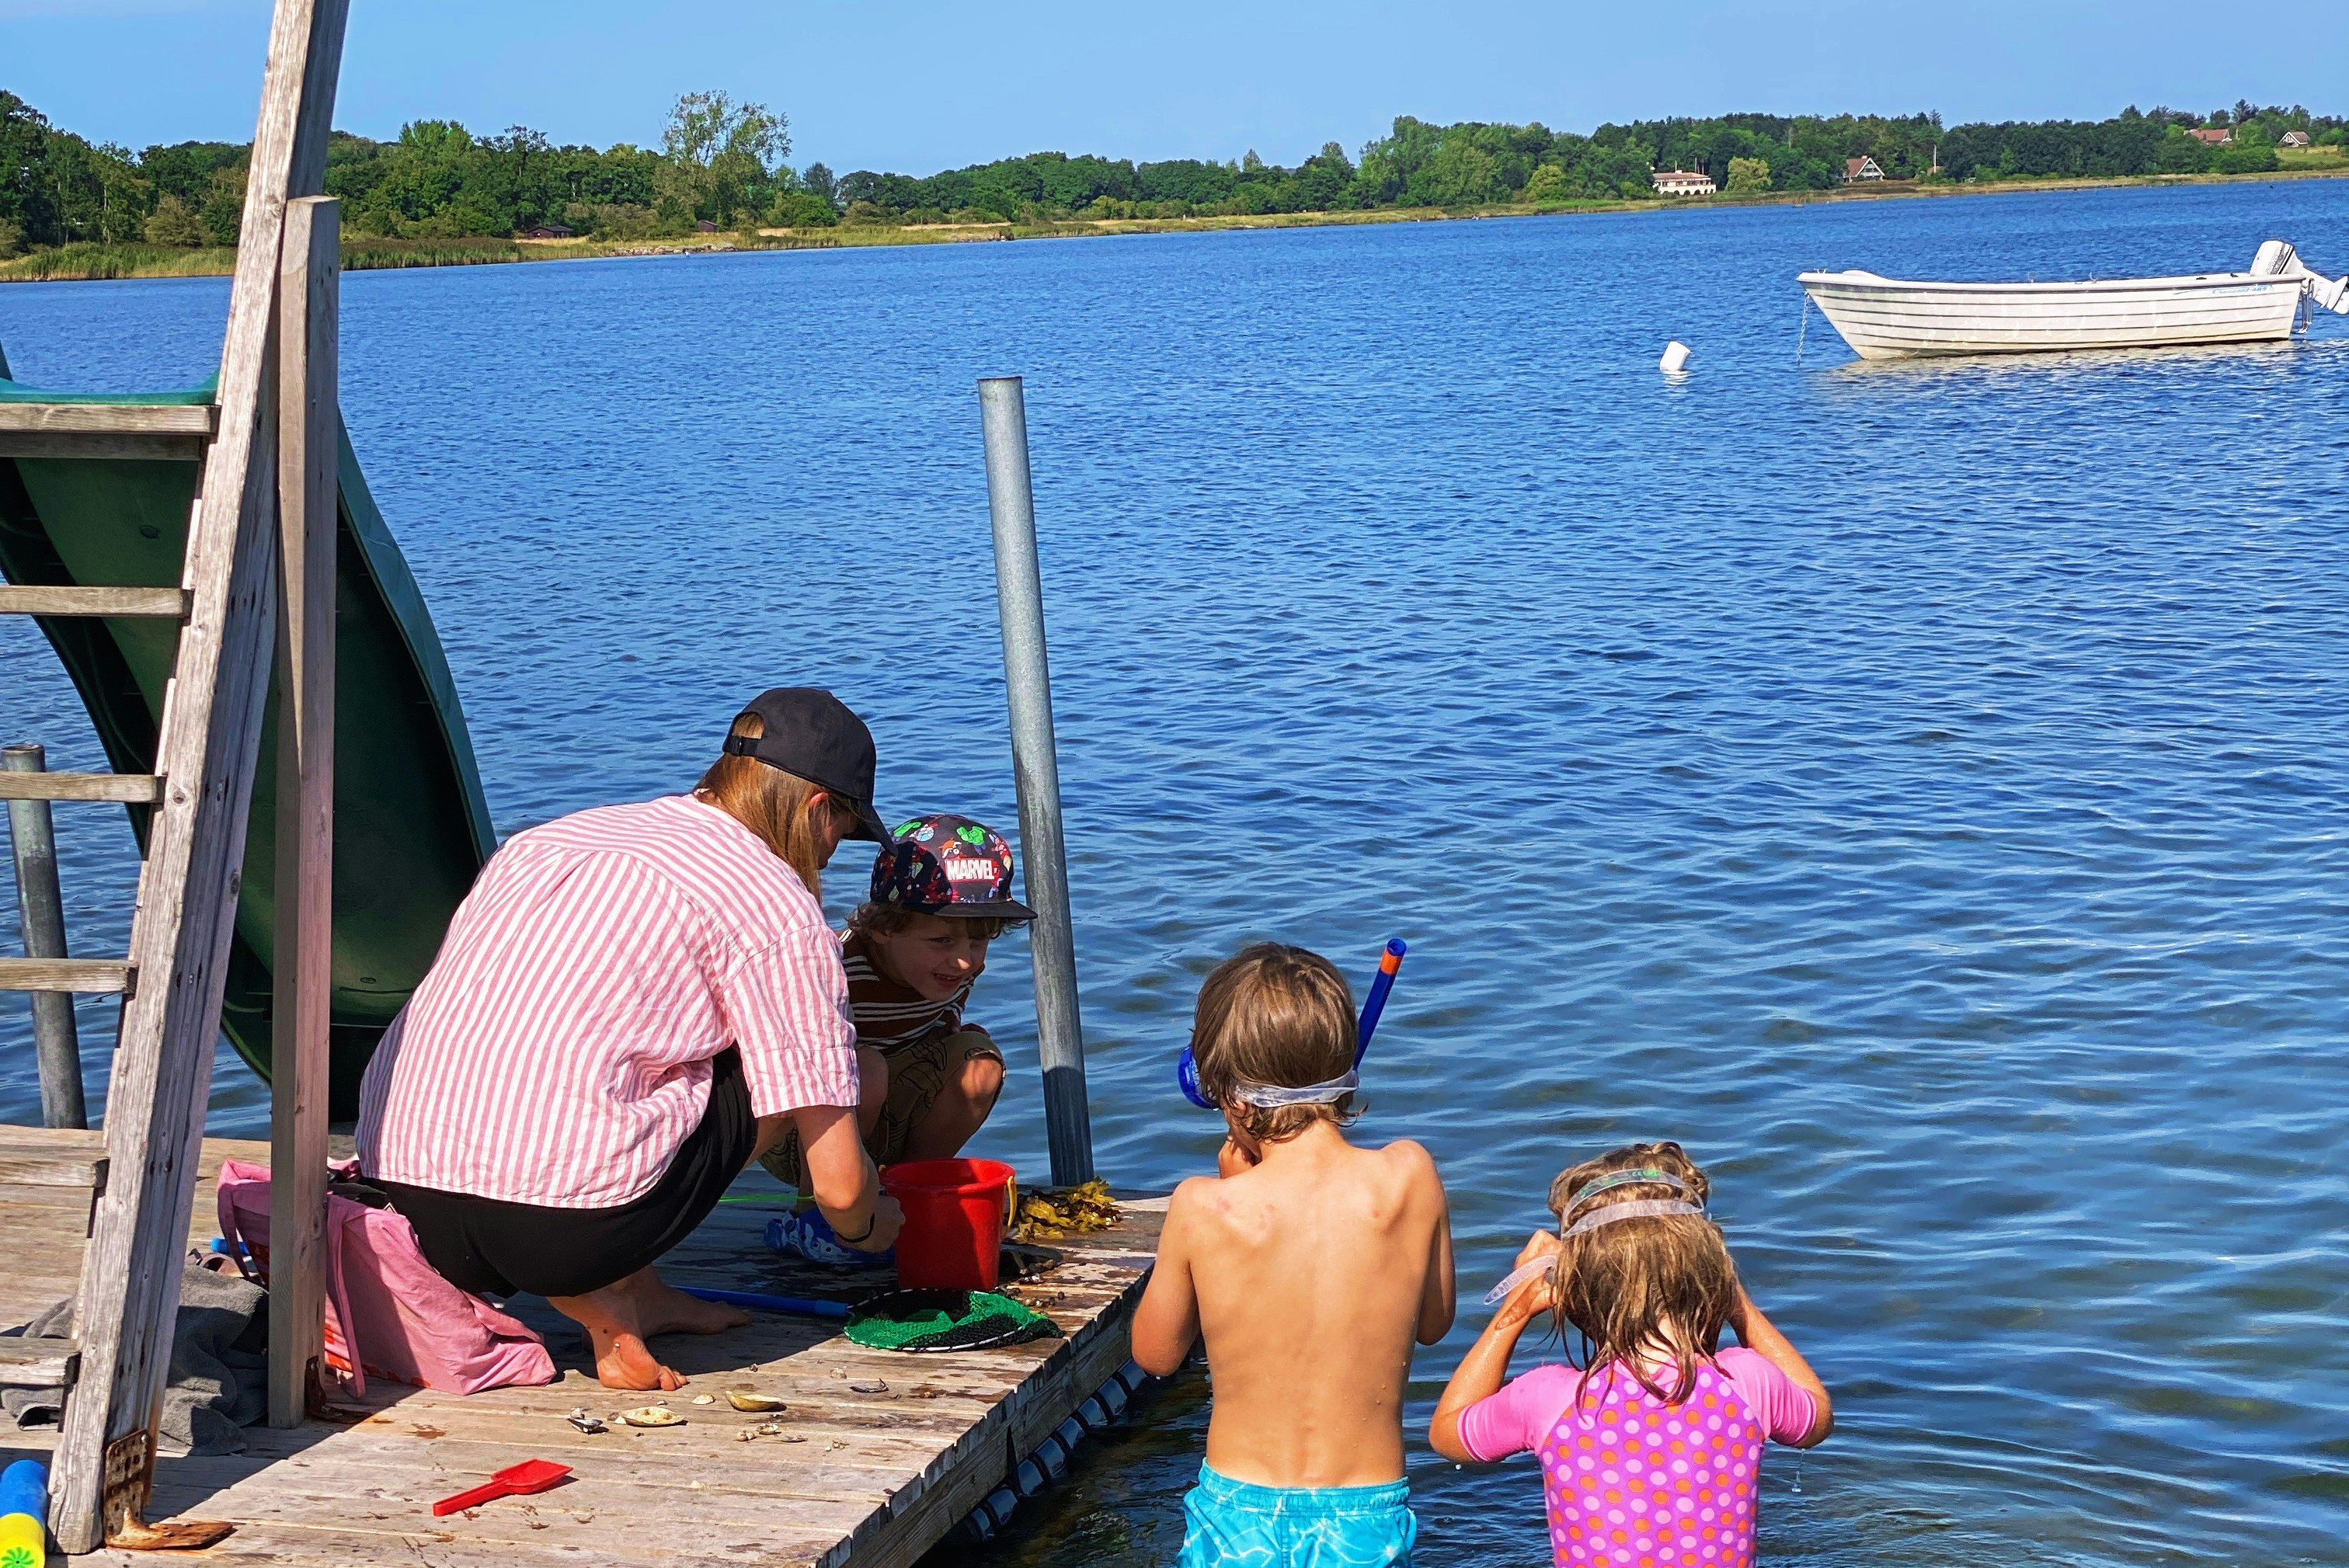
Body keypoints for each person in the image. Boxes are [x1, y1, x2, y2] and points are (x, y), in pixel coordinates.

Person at [355, 687, 906, 1391]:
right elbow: (836, 1183)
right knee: (788, 1054)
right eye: (840, 834)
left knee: (597, 1040)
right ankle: (603, 1283)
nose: (830, 858)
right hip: (562, 1235)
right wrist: (866, 1224)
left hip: (407, 1201)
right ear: (814, 808)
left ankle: (632, 1296)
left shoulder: (549, 839)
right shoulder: (774, 904)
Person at [1132, 942, 1456, 1568]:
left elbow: (1156, 1352)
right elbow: (1435, 1323)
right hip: (1364, 1513)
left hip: (1239, 1514)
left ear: (1228, 1095)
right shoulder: (1410, 1175)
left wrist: (1232, 1191)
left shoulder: (1203, 1206)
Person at [1429, 1141, 1832, 1568]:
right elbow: (1817, 1416)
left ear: (1578, 1287)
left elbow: (1447, 1434)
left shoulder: (1549, 1399)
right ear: (1710, 1272)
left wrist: (1519, 1307)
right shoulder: (1747, 1383)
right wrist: (1736, 1303)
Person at [764, 812, 1033, 1262]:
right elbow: (800, 1073)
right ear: (884, 927)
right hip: (805, 1132)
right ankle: (811, 1220)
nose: (965, 962)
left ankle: (911, 1187)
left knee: (979, 1063)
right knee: (866, 1069)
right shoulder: (837, 971)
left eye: (978, 942)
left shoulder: (950, 974)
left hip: (884, 1110)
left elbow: (937, 1032)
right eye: (942, 941)